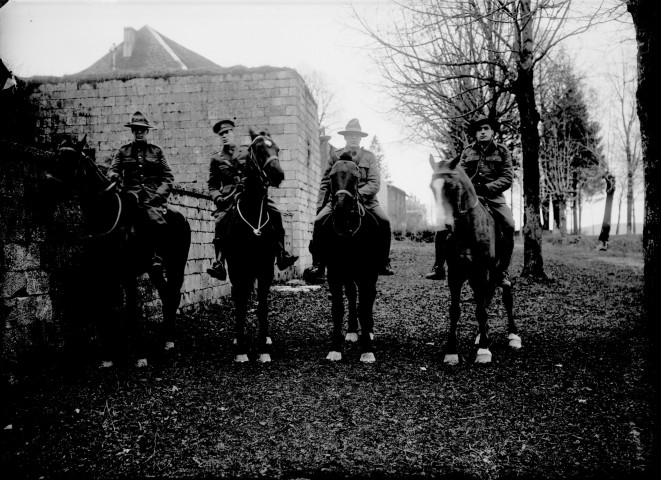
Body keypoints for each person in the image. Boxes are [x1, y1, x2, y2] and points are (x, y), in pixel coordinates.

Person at [425, 114, 515, 287]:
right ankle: (439, 266)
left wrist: (488, 188)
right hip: (469, 198)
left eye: (486, 129)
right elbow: (460, 175)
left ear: (492, 131)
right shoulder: (467, 152)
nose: (482, 132)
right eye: (479, 130)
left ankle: (501, 270)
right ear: (475, 133)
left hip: (494, 198)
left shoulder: (502, 151)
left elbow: (507, 177)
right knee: (444, 224)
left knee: (509, 224)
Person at [206, 118, 298, 280]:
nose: (225, 136)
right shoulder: (217, 159)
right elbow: (212, 184)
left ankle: (282, 253)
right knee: (220, 221)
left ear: (233, 132)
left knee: (275, 213)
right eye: (222, 134)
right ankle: (219, 263)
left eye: (227, 132)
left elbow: (256, 170)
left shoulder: (245, 152)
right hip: (228, 199)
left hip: (248, 192)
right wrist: (218, 197)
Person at [306, 118, 394, 282]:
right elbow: (326, 182)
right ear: (345, 137)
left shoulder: (369, 157)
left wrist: (357, 195)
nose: (354, 138)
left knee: (385, 222)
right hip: (338, 199)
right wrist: (320, 205)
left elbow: (374, 183)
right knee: (318, 222)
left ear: (361, 138)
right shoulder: (335, 156)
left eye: (357, 135)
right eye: (350, 135)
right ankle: (318, 264)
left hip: (366, 200)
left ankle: (383, 262)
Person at [108, 111, 173, 273]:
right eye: (136, 129)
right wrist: (114, 175)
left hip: (152, 198)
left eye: (142, 130)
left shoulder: (157, 152)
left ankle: (157, 256)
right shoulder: (123, 151)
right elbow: (112, 170)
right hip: (130, 197)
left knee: (155, 219)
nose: (139, 132)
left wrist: (159, 196)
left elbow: (168, 177)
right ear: (132, 131)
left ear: (147, 132)